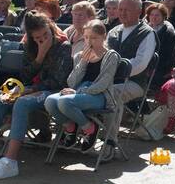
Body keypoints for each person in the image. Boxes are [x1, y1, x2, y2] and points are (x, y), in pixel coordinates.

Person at [0, 11, 72, 180]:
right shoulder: (29, 45)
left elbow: (58, 80)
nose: (43, 40)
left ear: (50, 28)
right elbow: (25, 76)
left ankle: (10, 161)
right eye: (38, 38)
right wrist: (40, 55)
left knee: (22, 103)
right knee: (2, 99)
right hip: (32, 87)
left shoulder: (63, 46)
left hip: (53, 90)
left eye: (45, 35)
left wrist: (32, 89)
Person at [43, 20, 120, 152]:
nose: (89, 42)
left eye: (94, 38)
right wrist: (83, 62)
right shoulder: (80, 56)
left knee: (64, 102)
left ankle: (90, 128)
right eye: (86, 37)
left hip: (99, 95)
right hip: (79, 92)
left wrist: (78, 92)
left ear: (104, 37)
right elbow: (71, 82)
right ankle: (70, 127)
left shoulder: (111, 56)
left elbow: (103, 84)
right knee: (50, 101)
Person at [108, 0, 159, 110]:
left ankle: (109, 128)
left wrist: (114, 72)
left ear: (139, 12)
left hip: (135, 83)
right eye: (120, 9)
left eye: (127, 10)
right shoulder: (113, 32)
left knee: (108, 93)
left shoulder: (147, 33)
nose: (122, 13)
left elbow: (140, 64)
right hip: (109, 79)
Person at [144, 2, 175, 91]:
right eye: (152, 15)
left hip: (160, 69)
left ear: (163, 17)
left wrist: (152, 68)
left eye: (157, 15)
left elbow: (169, 56)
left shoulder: (168, 33)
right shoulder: (144, 30)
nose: (154, 17)